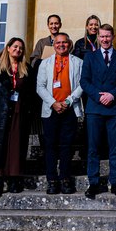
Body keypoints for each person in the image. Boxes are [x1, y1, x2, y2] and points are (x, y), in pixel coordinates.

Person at [80, 24, 116, 198]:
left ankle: (115, 182)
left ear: (113, 37)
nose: (105, 39)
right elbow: (84, 82)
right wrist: (98, 96)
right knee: (93, 148)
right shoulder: (90, 57)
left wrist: (112, 95)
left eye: (108, 36)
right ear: (98, 37)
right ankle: (94, 183)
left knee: (114, 148)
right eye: (102, 36)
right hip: (95, 108)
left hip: (114, 108)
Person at [0, 37, 32, 196]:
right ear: (8, 48)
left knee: (16, 145)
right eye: (15, 47)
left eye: (21, 48)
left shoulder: (26, 68)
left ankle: (14, 178)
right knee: (0, 144)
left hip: (19, 111)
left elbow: (30, 92)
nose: (18, 50)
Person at [35, 33, 83, 195]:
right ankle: (52, 180)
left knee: (66, 146)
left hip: (70, 109)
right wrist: (53, 103)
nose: (61, 45)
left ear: (69, 44)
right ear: (53, 45)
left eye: (64, 42)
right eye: (58, 42)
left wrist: (68, 101)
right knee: (50, 146)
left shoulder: (78, 62)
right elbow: (40, 86)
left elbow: (82, 84)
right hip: (50, 110)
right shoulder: (45, 63)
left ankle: (65, 178)